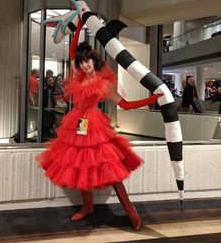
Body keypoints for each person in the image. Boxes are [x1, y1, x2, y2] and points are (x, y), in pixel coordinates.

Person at [37, 29, 162, 230]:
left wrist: (152, 99)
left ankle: (130, 210)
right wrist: (77, 25)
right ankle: (88, 206)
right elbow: (72, 51)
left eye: (88, 60)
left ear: (94, 61)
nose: (85, 64)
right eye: (81, 62)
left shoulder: (104, 83)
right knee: (81, 167)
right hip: (77, 125)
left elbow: (126, 104)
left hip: (95, 126)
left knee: (112, 172)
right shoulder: (78, 78)